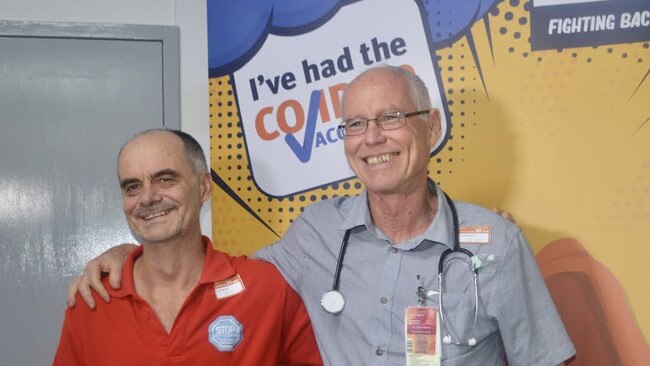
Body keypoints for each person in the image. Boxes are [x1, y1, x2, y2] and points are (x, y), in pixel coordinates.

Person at [67, 66, 575, 365]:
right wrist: (131, 254)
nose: (371, 137)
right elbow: (218, 276)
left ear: (431, 126)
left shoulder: (495, 246)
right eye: (355, 123)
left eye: (391, 118)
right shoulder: (316, 234)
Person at [54, 129, 322, 365]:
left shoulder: (266, 289)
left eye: (166, 179)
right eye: (133, 187)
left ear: (204, 187)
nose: (148, 197)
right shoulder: (93, 299)